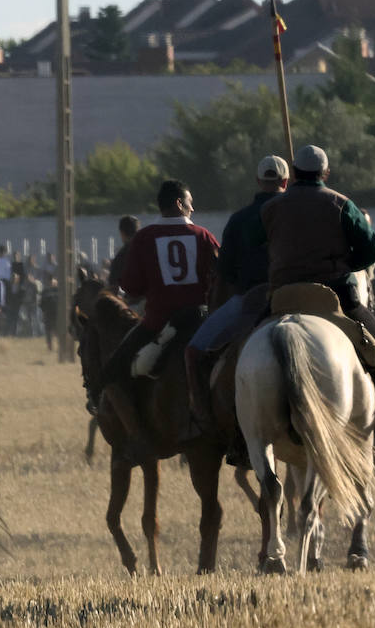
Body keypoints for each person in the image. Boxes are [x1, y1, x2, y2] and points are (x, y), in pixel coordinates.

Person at [261, 144, 375, 459]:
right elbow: (372, 253)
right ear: (326, 173)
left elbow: (264, 248)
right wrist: (343, 263)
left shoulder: (271, 208)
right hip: (336, 293)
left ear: (294, 173)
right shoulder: (341, 203)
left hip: (282, 294)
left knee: (238, 346)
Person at [92, 180, 219, 458]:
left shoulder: (144, 239)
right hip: (201, 321)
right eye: (189, 202)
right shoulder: (203, 235)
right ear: (178, 203)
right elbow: (220, 278)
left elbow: (133, 288)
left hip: (158, 323)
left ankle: (138, 438)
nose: (192, 207)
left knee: (111, 373)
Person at [185, 155, 289, 434]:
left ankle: (204, 422)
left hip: (252, 300)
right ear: (285, 181)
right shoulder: (300, 213)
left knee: (194, 351)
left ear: (258, 181)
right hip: (299, 296)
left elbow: (227, 271)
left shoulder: (240, 218)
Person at [106, 215, 140, 293]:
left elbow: (113, 285)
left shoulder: (120, 257)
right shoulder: (148, 250)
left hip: (129, 301)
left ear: (122, 233)